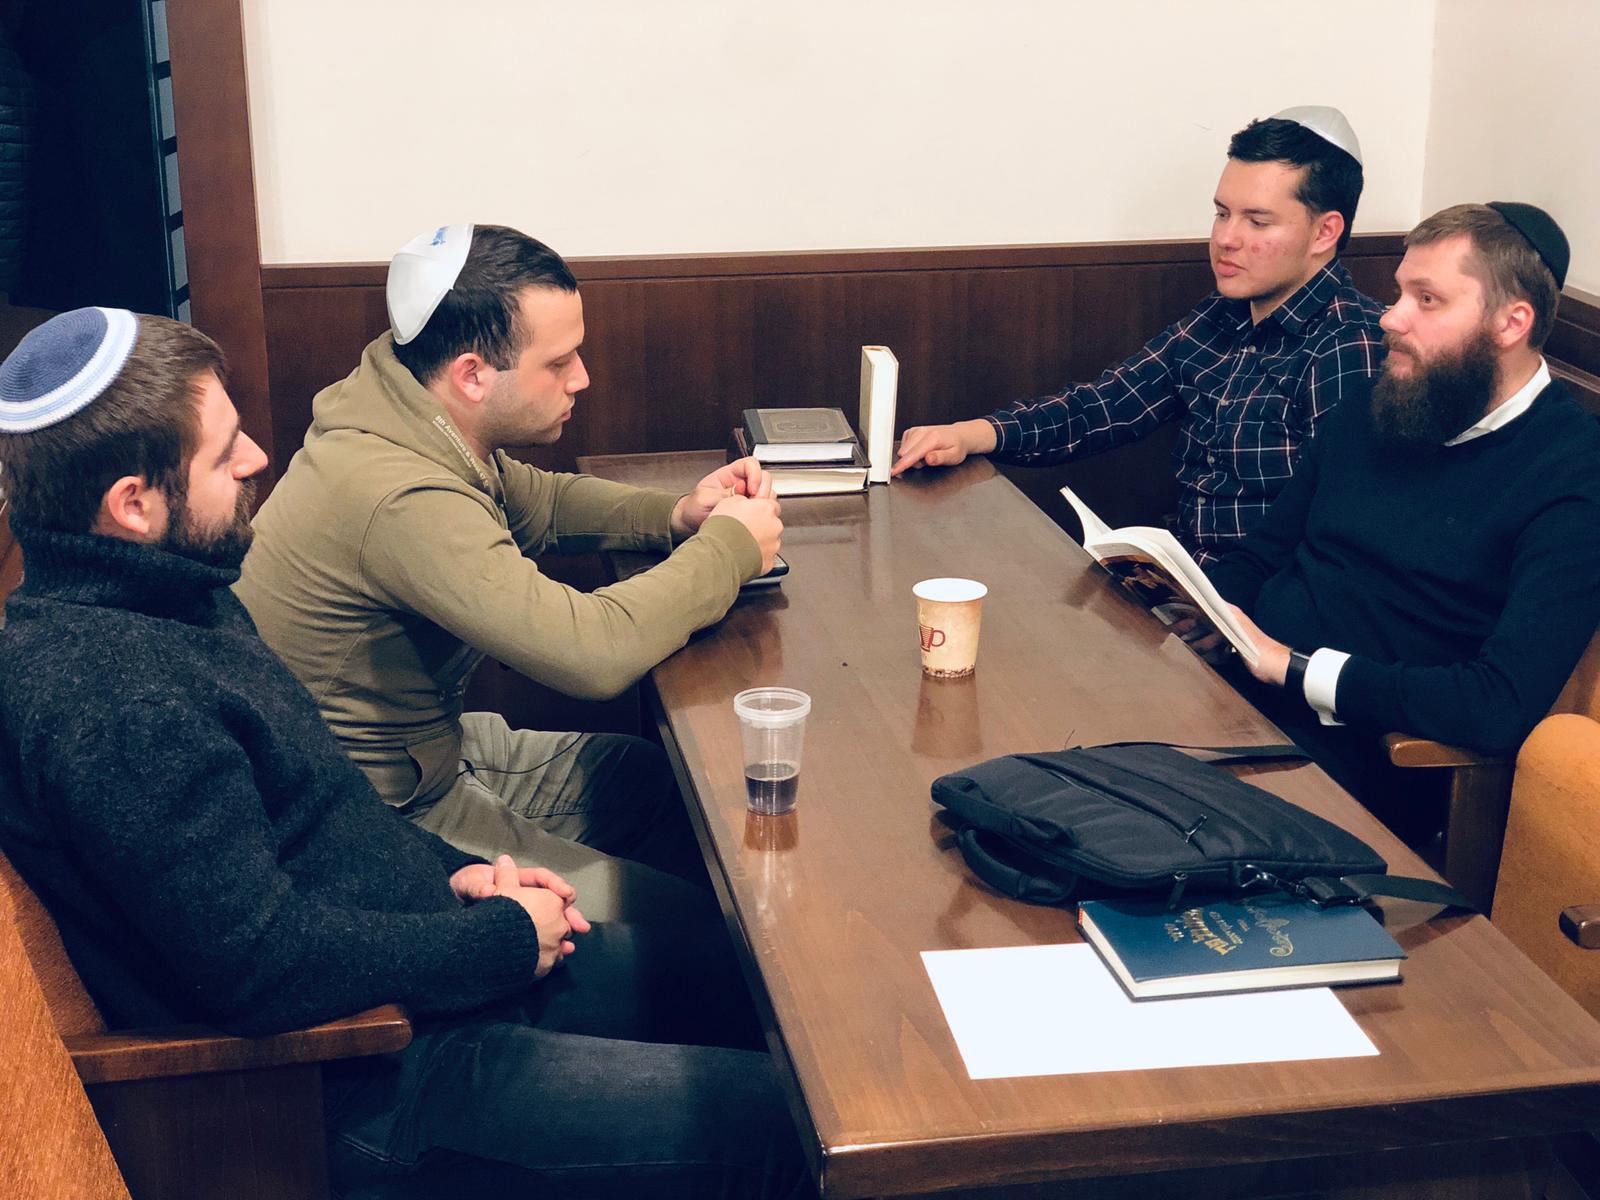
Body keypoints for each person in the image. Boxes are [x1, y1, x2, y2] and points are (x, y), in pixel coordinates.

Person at [0, 308, 812, 1197]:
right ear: (134, 505)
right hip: (358, 1077)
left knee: (766, 994)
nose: (258, 458)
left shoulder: (177, 594)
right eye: (223, 452)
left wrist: (458, 879)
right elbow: (255, 965)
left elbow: (328, 813)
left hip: (416, 967)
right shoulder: (116, 702)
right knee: (790, 1128)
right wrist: (499, 943)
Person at [235, 224, 783, 920]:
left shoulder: (406, 403)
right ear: (472, 374)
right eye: (559, 362)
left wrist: (678, 514)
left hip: (431, 754)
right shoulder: (399, 495)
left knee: (653, 781)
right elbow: (592, 653)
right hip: (380, 816)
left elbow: (540, 503)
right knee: (702, 925)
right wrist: (730, 549)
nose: (581, 377)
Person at [1205, 203, 1600, 829]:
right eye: (1399, 293)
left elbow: (1498, 704)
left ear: (1511, 323)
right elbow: (1264, 554)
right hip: (1233, 700)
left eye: (1427, 299)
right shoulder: (1379, 400)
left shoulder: (1574, 470)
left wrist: (1295, 668)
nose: (1390, 317)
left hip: (1363, 766)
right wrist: (1202, 608)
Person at [893, 106, 1386, 564]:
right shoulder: (1223, 317)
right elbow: (1106, 406)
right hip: (1192, 586)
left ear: (1325, 233)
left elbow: (1339, 540)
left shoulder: (1349, 344)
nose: (1225, 238)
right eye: (1221, 213)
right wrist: (970, 434)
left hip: (1259, 610)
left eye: (1257, 221)